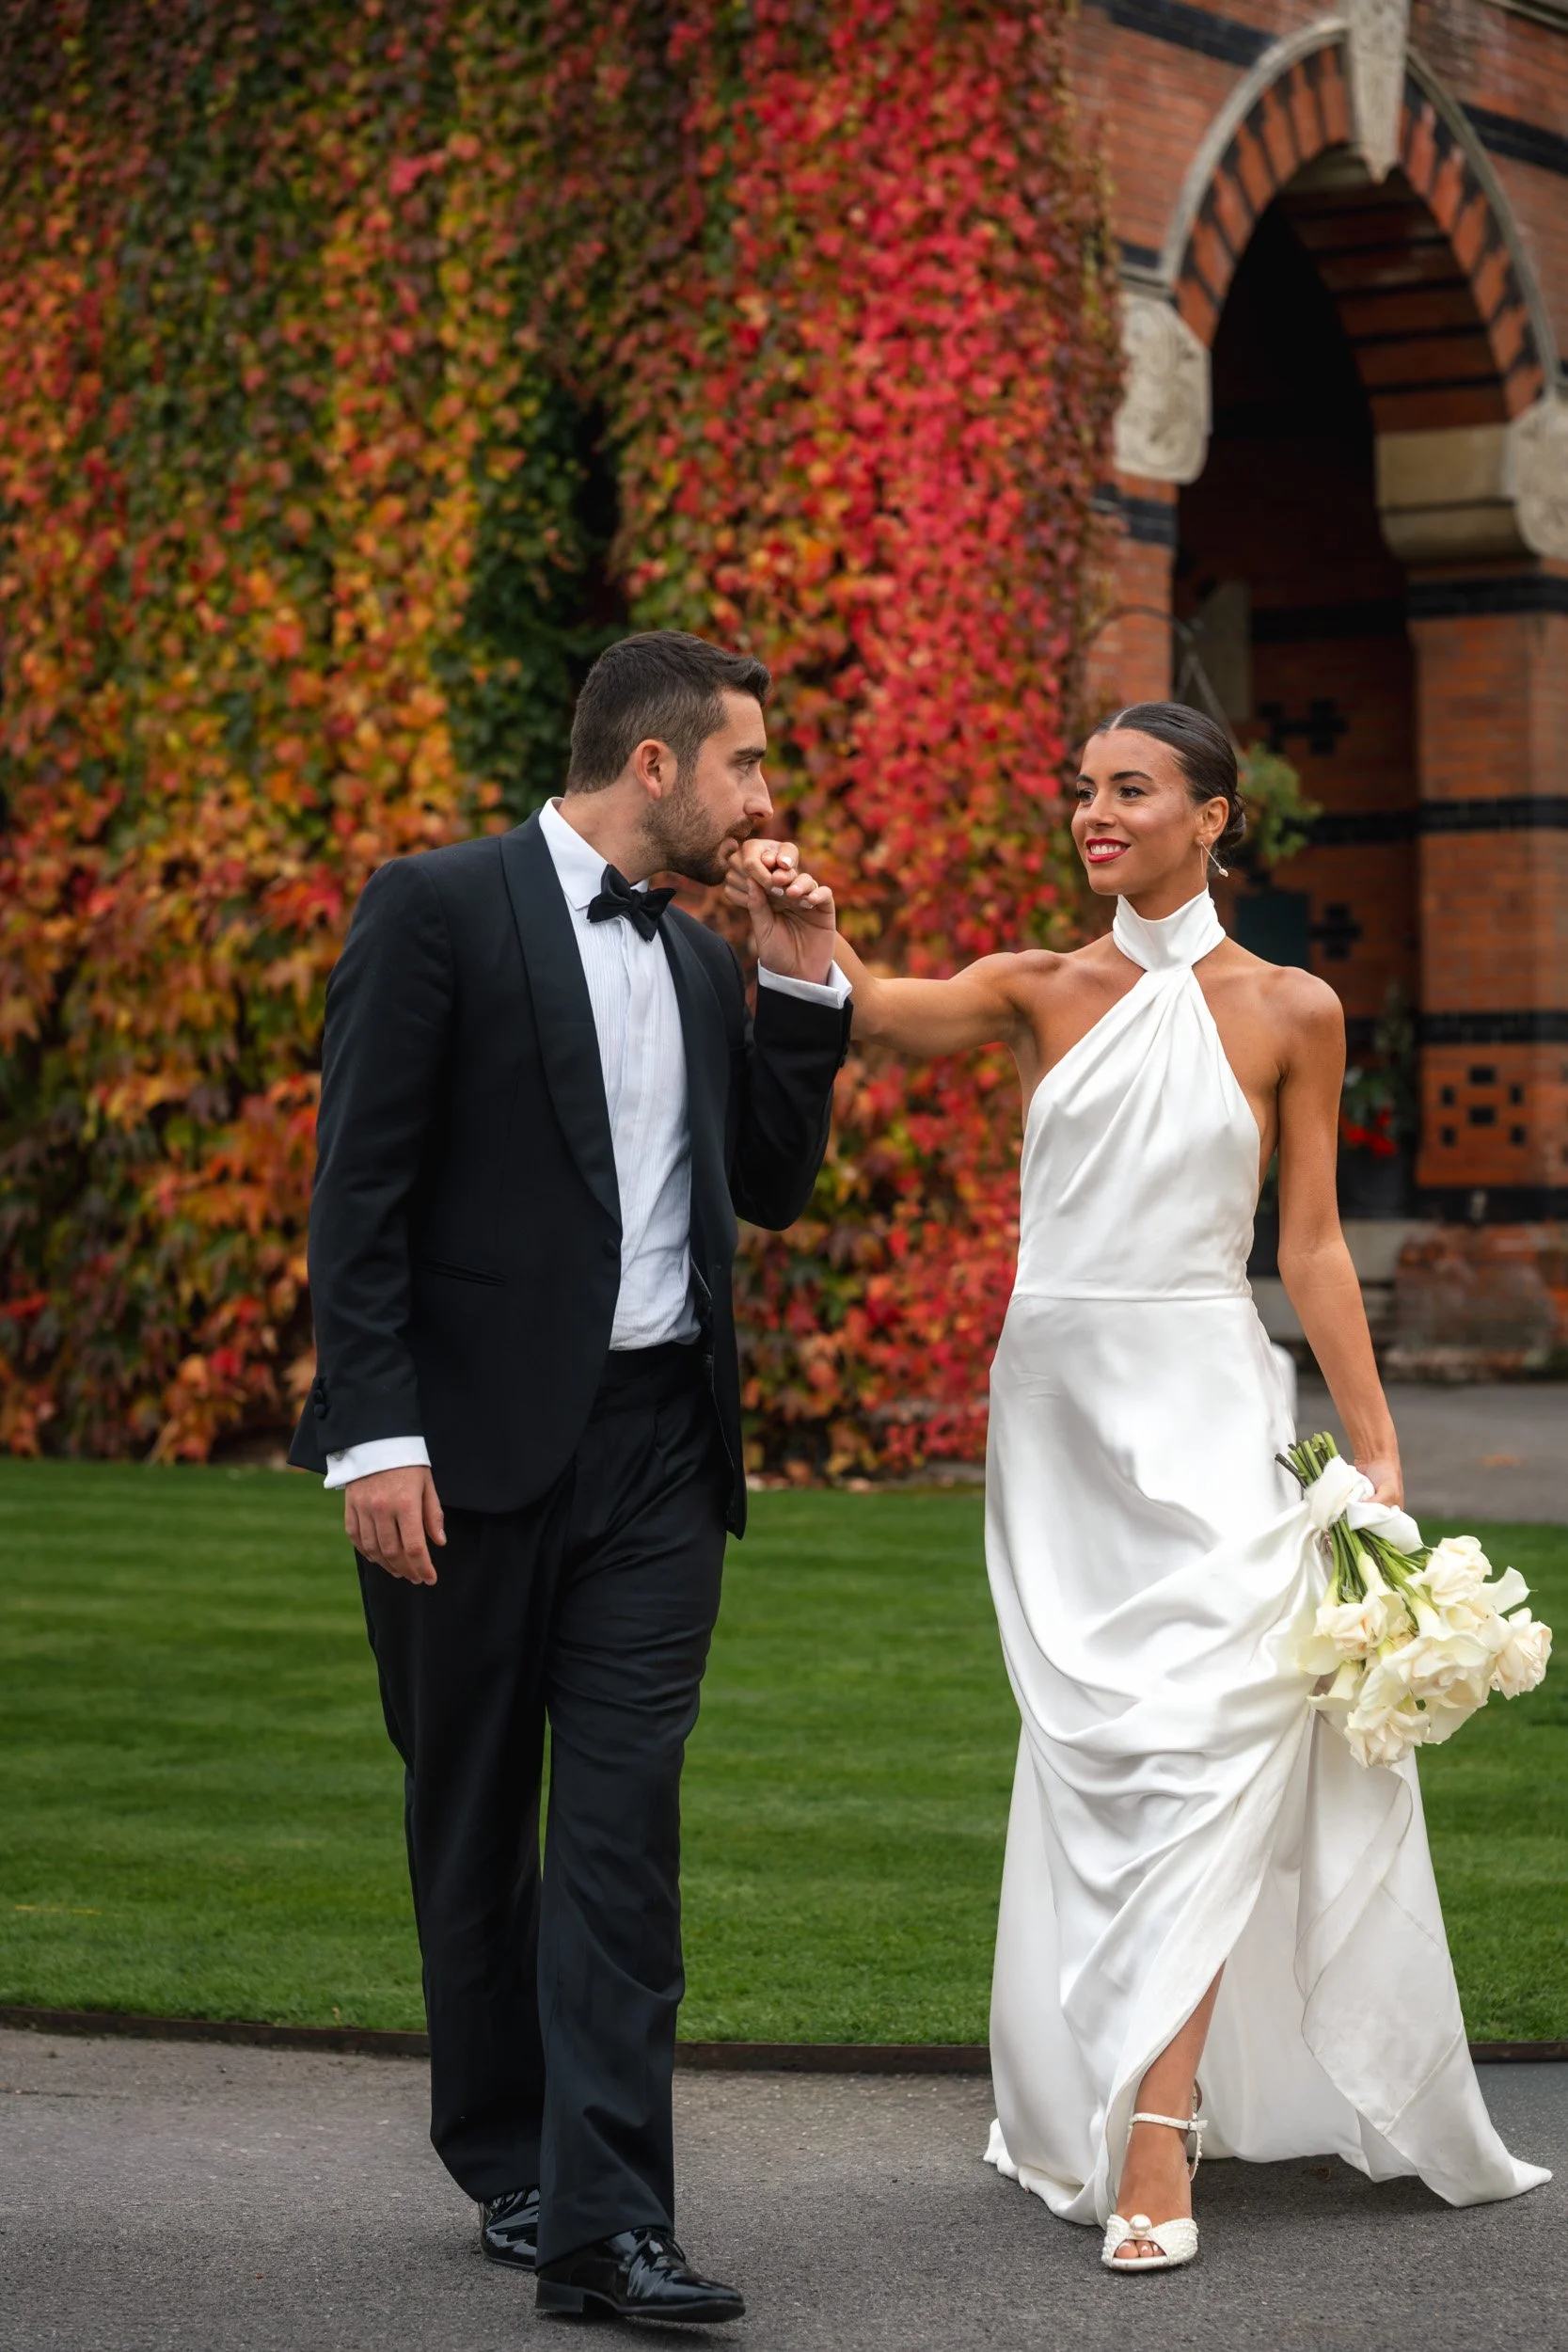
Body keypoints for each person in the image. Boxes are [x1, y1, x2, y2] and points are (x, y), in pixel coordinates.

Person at [781, 701, 1547, 2272]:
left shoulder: (1291, 1008)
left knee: (1206, 1737)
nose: (1094, 814)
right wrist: (814, 927)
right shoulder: (1034, 987)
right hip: (1057, 1412)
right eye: (1082, 792)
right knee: (1104, 1754)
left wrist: (1374, 1447)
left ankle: (1157, 2128)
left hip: (1206, 1395)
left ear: (1214, 818)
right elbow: (871, 1016)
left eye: (1130, 790)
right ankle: (1112, 2084)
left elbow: (1314, 1246)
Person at [290, 630, 850, 2325]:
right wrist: (375, 1436)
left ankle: (613, 2222)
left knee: (620, 1839)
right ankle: (512, 2162)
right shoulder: (435, 906)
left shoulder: (702, 960)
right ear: (660, 767)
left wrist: (806, 977)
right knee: (471, 1832)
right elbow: (357, 1194)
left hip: (659, 1459)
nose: (768, 799)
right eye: (747, 765)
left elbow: (764, 1188)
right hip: (460, 1464)